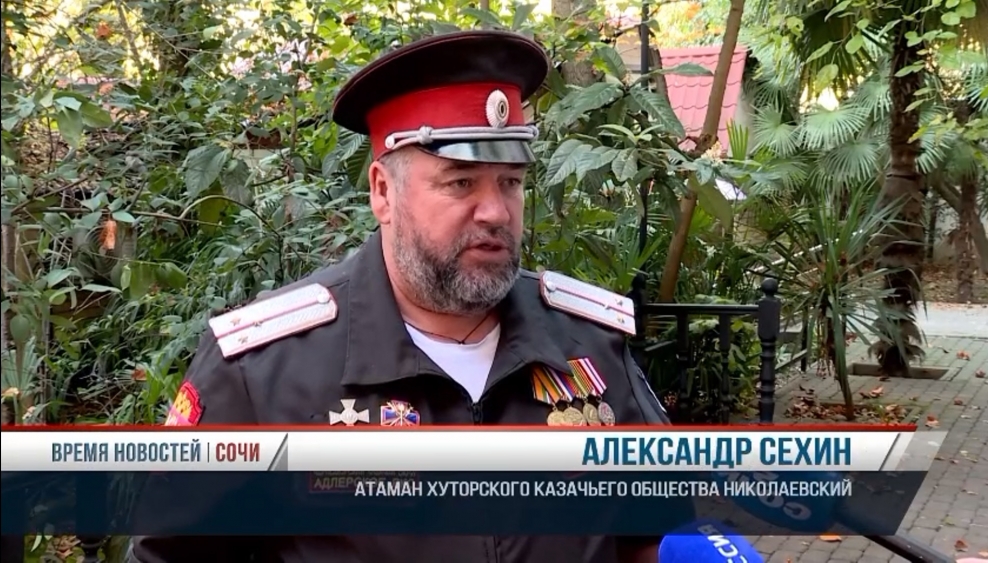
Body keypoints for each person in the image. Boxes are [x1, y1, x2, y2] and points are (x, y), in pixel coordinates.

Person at [128, 30, 677, 563]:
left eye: (510, 182)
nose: (495, 212)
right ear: (383, 192)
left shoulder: (589, 341)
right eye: (460, 182)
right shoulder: (263, 371)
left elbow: (655, 531)